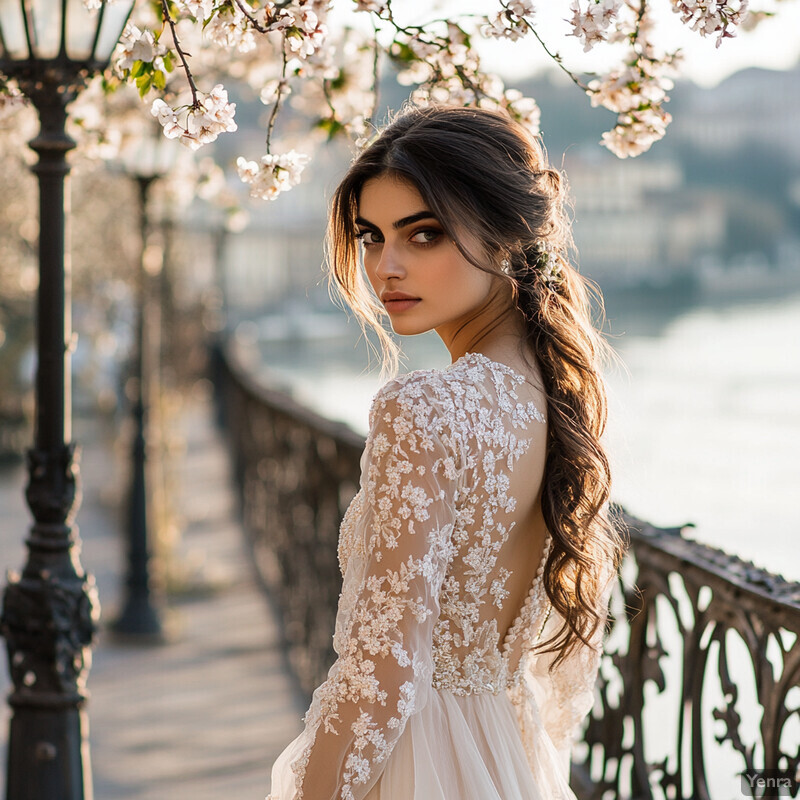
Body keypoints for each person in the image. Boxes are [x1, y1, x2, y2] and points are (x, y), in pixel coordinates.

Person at [267, 104, 626, 800]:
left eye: (423, 234)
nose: (385, 266)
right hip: (499, 753)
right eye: (371, 236)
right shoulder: (555, 397)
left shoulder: (424, 408)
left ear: (505, 238)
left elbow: (382, 670)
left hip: (415, 764)